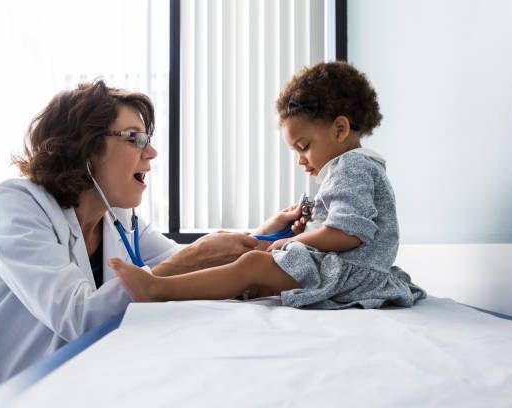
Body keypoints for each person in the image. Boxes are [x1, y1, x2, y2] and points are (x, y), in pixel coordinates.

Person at [0, 80, 306, 404]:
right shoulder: (17, 204)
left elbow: (188, 261)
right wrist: (179, 268)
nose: (151, 152)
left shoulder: (117, 218)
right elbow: (79, 316)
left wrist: (263, 235)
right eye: (135, 138)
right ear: (85, 147)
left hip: (60, 386)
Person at [110, 61, 427, 309]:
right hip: (346, 269)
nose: (301, 160)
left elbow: (346, 233)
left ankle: (158, 289)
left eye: (304, 146)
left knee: (252, 264)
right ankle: (187, 289)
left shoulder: (352, 166)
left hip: (351, 274)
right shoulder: (354, 167)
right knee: (255, 270)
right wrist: (297, 234)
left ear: (340, 128)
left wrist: (294, 243)